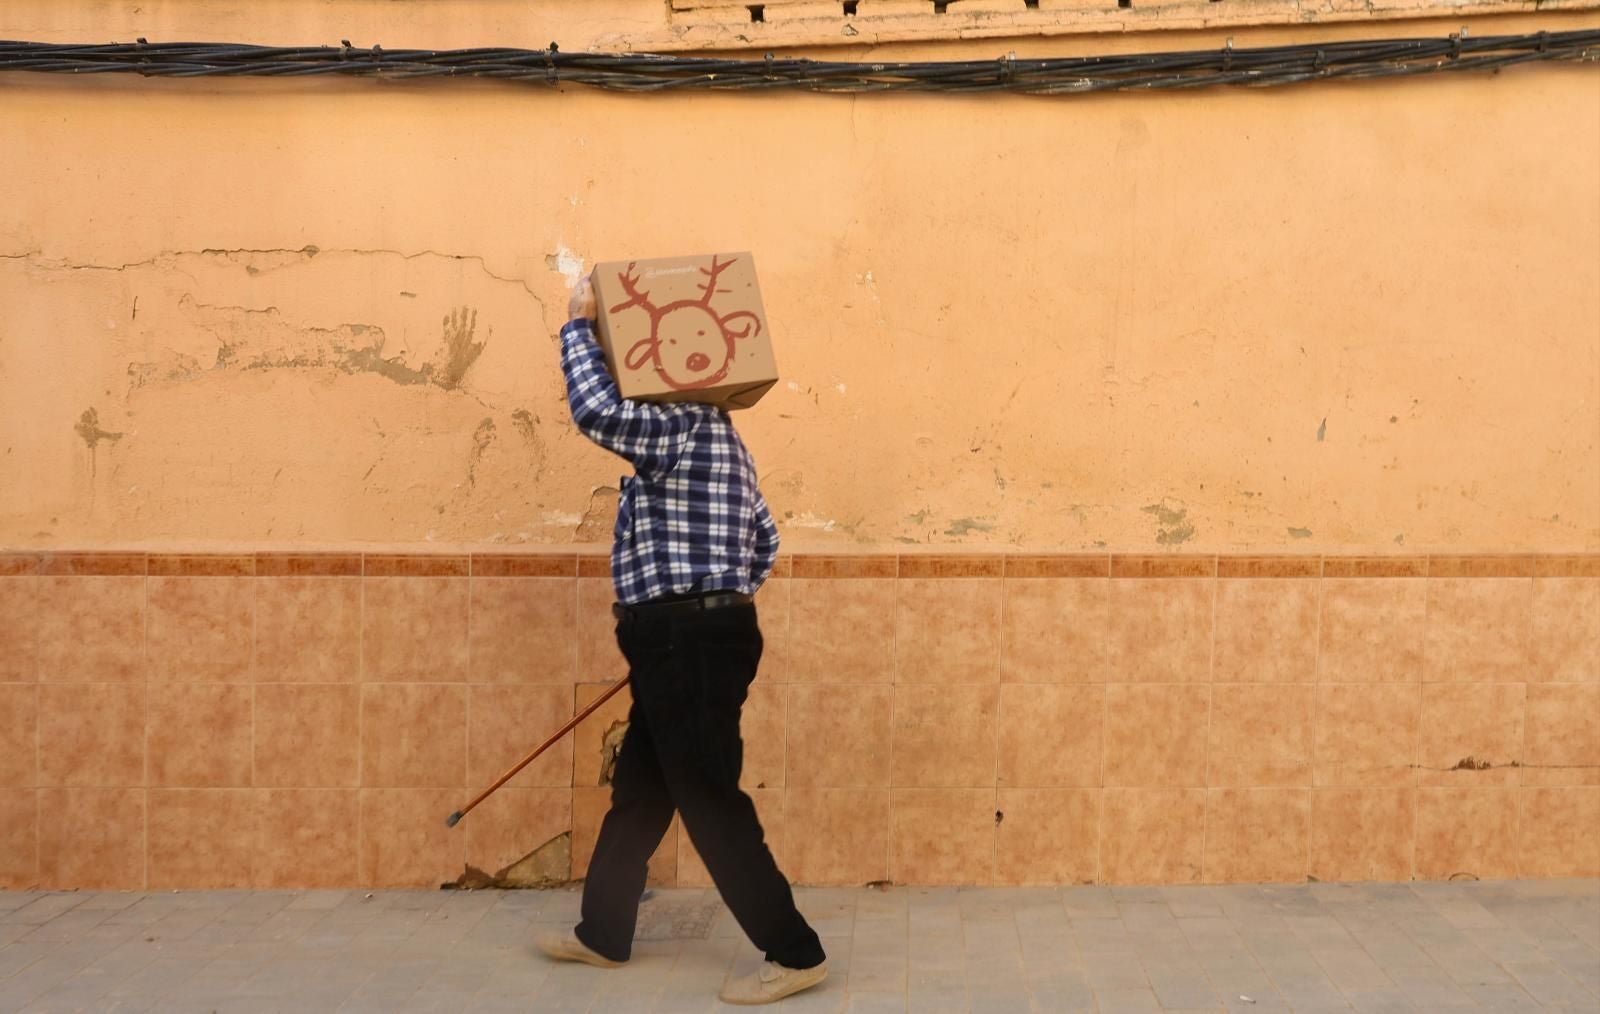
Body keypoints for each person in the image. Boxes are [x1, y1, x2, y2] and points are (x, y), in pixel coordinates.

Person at [536, 273, 827, 1006]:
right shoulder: (728, 442)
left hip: (685, 639)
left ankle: (794, 953)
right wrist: (713, 606)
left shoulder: (682, 424)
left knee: (706, 794)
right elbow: (765, 541)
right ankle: (603, 932)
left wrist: (577, 325)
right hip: (690, 635)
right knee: (641, 788)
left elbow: (598, 411)